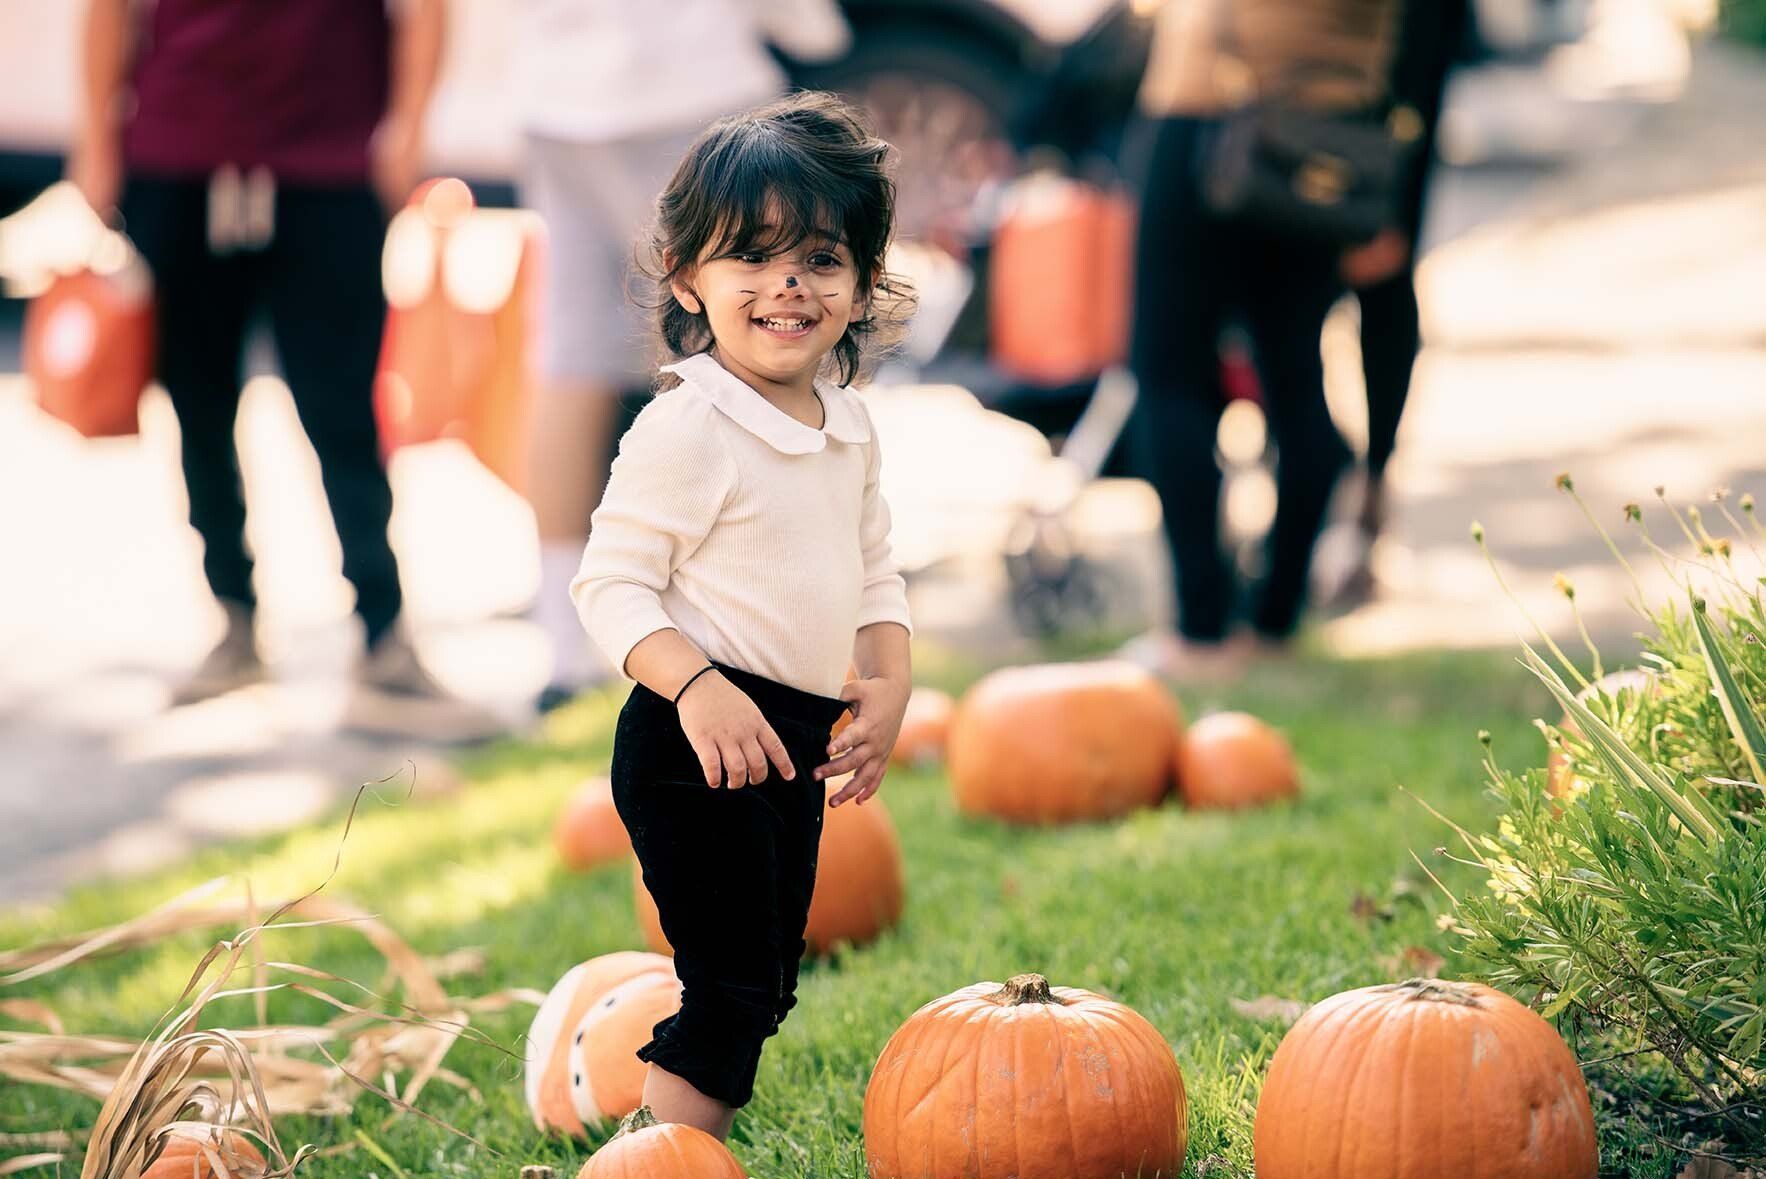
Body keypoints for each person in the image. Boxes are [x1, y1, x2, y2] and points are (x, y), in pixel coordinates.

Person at [570, 93, 914, 1137]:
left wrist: (889, 684)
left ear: (859, 287)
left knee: (761, 978)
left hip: (791, 743)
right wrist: (696, 686)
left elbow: (873, 569)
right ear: (687, 279)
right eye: (750, 258)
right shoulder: (688, 426)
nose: (785, 286)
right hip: (695, 741)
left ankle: (655, 1142)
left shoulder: (847, 426)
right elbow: (611, 585)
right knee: (728, 985)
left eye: (818, 259)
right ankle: (669, 1156)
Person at [69, 0, 486, 732]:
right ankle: (232, 618)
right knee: (196, 403)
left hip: (325, 158)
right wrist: (96, 145)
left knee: (342, 409)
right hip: (180, 148)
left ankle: (384, 639)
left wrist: (409, 127)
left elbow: (424, 8)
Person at [513, 0, 850, 712]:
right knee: (758, 346)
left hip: (556, 92)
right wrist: (810, 30)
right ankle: (764, 621)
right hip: (693, 87)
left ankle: (564, 648)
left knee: (572, 360)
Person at [1119, 0, 1407, 679]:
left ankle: (1202, 629)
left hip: (1208, 112)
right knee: (1296, 374)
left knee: (1168, 375)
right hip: (1326, 132)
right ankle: (1275, 617)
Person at [1329, 0, 1470, 607]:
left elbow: (1426, 47)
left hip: (1383, 92)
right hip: (1296, 88)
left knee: (1382, 285)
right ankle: (1330, 486)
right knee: (1281, 315)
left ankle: (1368, 494)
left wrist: (1394, 196)